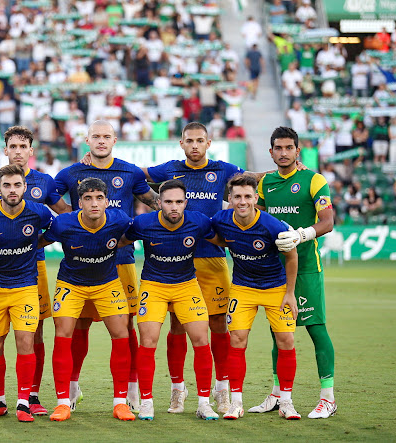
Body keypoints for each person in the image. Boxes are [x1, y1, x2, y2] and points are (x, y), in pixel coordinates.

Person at [55, 120, 159, 412]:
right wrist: (70, 217)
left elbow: (155, 203)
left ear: (115, 140)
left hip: (120, 260)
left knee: (126, 325)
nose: (101, 141)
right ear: (87, 140)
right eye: (96, 137)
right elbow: (49, 191)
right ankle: (72, 389)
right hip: (81, 262)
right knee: (79, 326)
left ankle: (132, 390)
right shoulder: (73, 172)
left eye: (106, 137)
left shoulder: (129, 171)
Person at [144, 122, 243, 415]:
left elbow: (253, 180)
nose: (195, 146)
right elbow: (136, 175)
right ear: (181, 143)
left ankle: (221, 390)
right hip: (178, 261)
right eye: (190, 141)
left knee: (217, 326)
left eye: (200, 141)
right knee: (177, 326)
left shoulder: (224, 169)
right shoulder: (170, 169)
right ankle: (178, 390)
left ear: (209, 143)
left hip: (212, 259)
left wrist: (291, 169)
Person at [0, 126, 71, 416]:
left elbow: (63, 217)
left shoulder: (44, 182)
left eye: (23, 146)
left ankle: (31, 396)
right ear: (5, 150)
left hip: (33, 268)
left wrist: (35, 242)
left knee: (33, 334)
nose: (18, 151)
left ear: (31, 150)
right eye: (13, 146)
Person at [254, 126, 337, 419]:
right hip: (274, 270)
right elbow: (257, 219)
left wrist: (302, 235)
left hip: (307, 268)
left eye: (289, 148)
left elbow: (328, 221)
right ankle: (278, 394)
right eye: (278, 148)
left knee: (316, 328)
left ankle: (328, 397)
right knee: (280, 333)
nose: (284, 153)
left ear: (297, 150)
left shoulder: (314, 180)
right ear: (271, 151)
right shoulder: (266, 184)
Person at [120, 180, 218, 421]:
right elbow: (120, 241)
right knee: (149, 341)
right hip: (153, 287)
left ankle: (204, 403)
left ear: (185, 203)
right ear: (159, 203)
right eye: (168, 202)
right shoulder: (143, 223)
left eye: (178, 202)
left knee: (201, 339)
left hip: (187, 286)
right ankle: (146, 403)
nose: (173, 207)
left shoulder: (199, 222)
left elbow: (224, 241)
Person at [39, 177, 136, 422]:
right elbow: (39, 242)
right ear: (79, 202)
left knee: (122, 334)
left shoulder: (119, 219)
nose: (94, 203)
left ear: (106, 201)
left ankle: (120, 403)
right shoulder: (63, 224)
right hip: (71, 284)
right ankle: (62, 403)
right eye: (88, 198)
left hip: (107, 284)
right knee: (63, 335)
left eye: (99, 198)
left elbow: (136, 232)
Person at [210, 173, 300, 420]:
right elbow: (212, 234)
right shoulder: (222, 219)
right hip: (243, 288)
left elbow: (292, 257)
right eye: (237, 196)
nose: (242, 201)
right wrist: (226, 242)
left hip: (276, 289)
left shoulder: (273, 226)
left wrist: (290, 294)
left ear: (256, 197)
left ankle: (286, 402)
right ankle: (236, 403)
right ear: (229, 199)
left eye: (247, 196)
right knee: (237, 340)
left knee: (286, 341)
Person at [0, 165, 54, 422]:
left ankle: (23, 402)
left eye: (17, 185)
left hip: (25, 288)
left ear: (25, 187)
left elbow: (56, 230)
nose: (12, 190)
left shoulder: (38, 212)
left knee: (25, 343)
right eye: (6, 185)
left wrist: (36, 244)